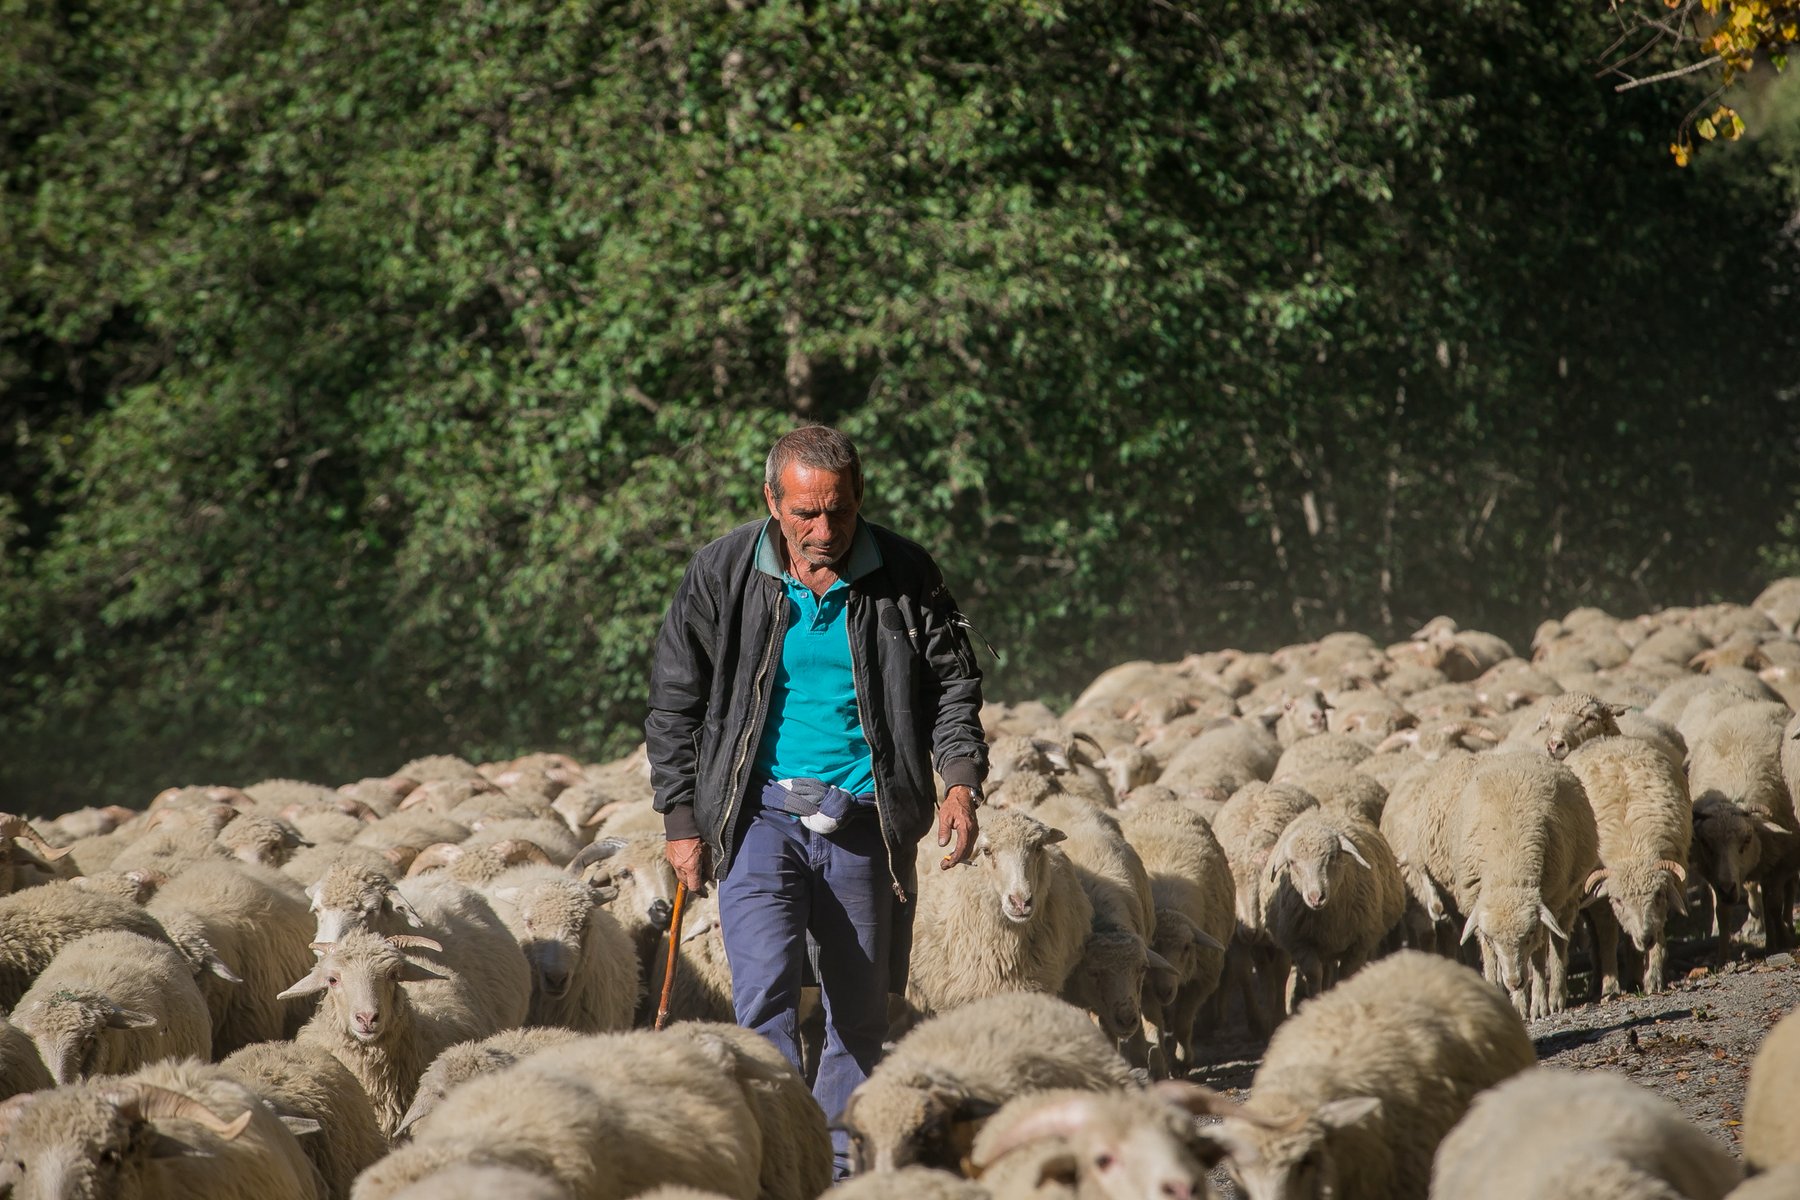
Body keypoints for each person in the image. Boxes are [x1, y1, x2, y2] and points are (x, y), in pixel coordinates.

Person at [645, 426, 987, 1176]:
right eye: (805, 513)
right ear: (772, 501)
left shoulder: (906, 572)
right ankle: (778, 1162)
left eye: (838, 510)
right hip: (758, 813)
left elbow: (955, 680)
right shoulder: (724, 572)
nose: (823, 530)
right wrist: (681, 819)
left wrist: (959, 779)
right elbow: (675, 701)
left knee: (859, 1012)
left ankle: (836, 1168)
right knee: (762, 999)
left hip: (865, 819)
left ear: (859, 497)